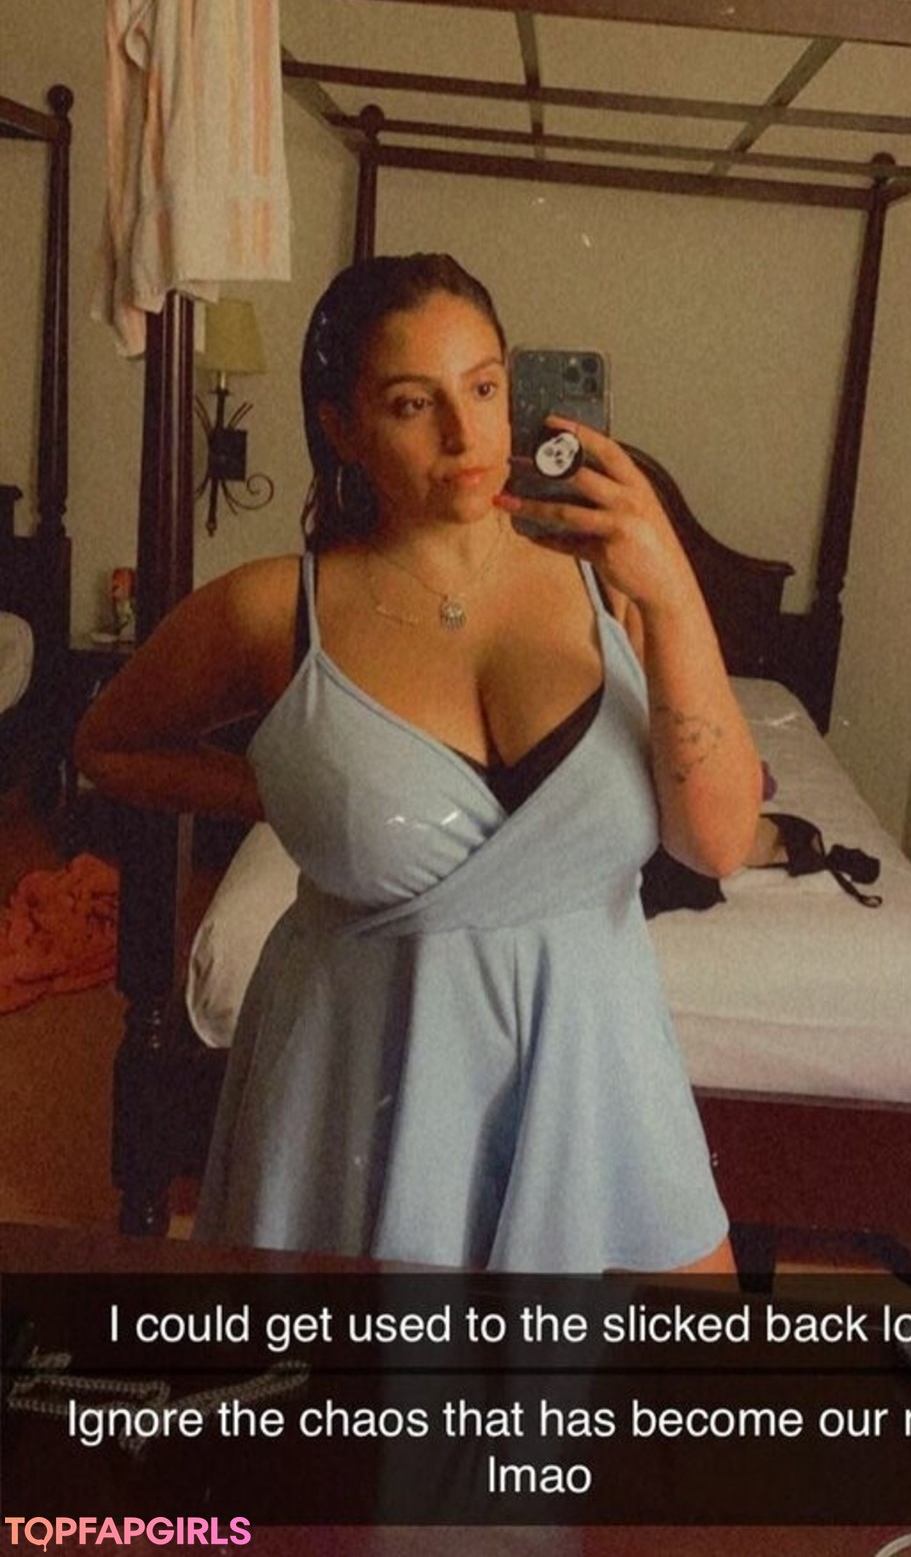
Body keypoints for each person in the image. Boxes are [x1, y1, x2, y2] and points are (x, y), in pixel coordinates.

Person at [75, 254, 762, 1275]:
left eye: (484, 387)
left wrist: (671, 591)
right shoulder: (274, 608)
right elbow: (109, 744)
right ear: (342, 427)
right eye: (412, 402)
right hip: (362, 1068)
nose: (465, 434)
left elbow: (717, 842)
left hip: (595, 1062)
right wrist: (287, 788)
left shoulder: (613, 581)